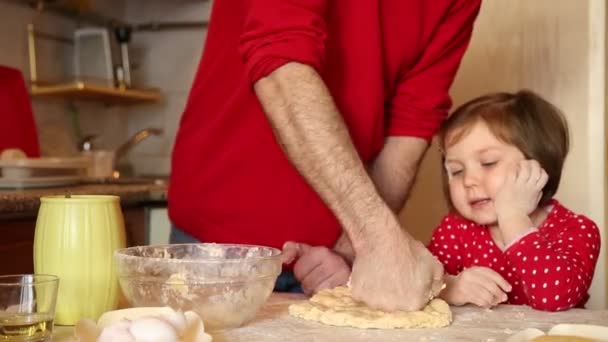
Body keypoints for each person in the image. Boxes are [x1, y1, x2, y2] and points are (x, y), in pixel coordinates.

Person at [168, 0, 481, 311]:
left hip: (332, 263)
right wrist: (377, 238)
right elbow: (280, 63)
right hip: (214, 244)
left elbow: (410, 124)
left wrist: (351, 248)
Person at [428, 90, 601, 312]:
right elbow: (418, 284)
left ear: (538, 165)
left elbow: (553, 299)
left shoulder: (576, 229)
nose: (469, 180)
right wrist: (449, 287)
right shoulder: (455, 229)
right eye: (456, 171)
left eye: (489, 163)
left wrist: (512, 216)